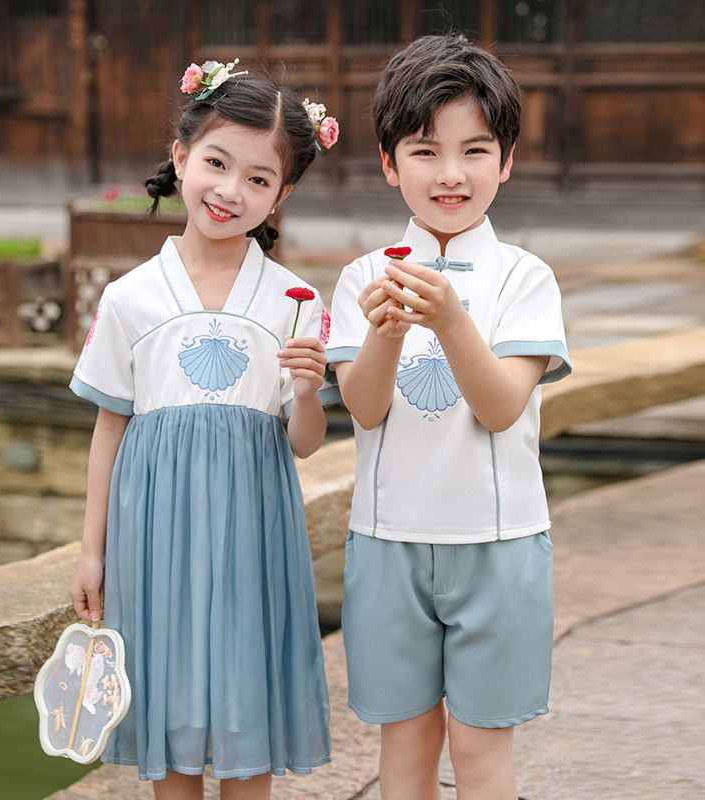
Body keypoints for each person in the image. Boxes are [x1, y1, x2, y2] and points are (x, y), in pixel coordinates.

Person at [68, 60, 339, 800]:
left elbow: (305, 440)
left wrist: (311, 391)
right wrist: (92, 552)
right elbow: (109, 429)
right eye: (217, 163)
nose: (230, 190)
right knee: (172, 707)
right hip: (152, 530)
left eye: (258, 178)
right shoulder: (131, 298)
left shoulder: (294, 298)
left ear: (282, 193)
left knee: (247, 713)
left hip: (255, 528)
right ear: (182, 156)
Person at [327, 35, 572, 800]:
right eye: (426, 151)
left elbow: (502, 409)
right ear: (388, 161)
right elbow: (364, 407)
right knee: (402, 752)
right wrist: (387, 330)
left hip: (496, 546)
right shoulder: (363, 278)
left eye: (475, 150)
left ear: (505, 161)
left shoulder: (525, 278)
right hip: (387, 540)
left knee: (479, 751)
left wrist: (452, 321)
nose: (452, 174)